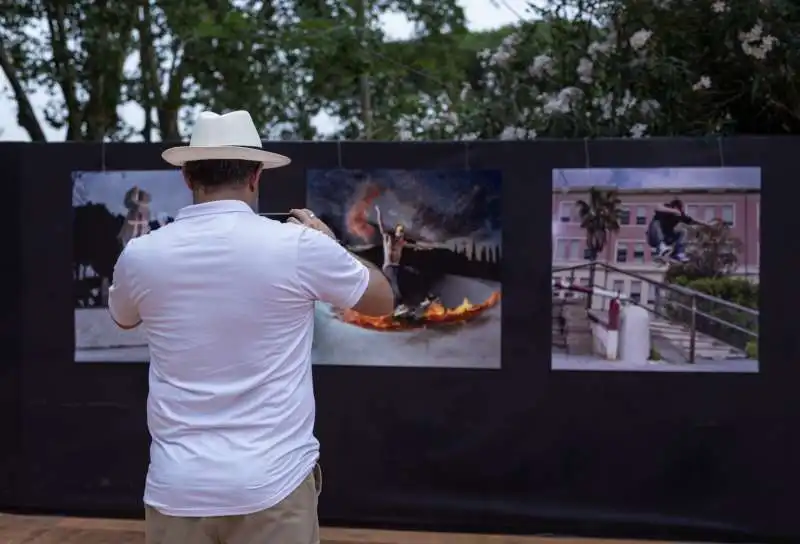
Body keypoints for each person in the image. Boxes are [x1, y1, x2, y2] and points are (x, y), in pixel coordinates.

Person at [107, 110, 394, 544]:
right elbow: (382, 301)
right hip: (273, 484)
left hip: (177, 485)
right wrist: (329, 245)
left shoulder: (141, 255)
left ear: (187, 177)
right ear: (256, 175)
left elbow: (123, 317)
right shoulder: (298, 247)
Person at [374, 204, 435, 315]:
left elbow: (417, 245)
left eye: (402, 233)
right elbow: (382, 228)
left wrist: (430, 246)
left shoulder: (402, 242)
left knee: (413, 274)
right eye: (399, 232)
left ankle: (416, 301)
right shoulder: (389, 239)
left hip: (397, 268)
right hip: (389, 268)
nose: (401, 235)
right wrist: (379, 213)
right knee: (395, 285)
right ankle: (397, 306)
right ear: (396, 232)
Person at [646, 198, 706, 263]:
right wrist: (673, 211)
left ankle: (679, 253)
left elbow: (693, 221)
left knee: (683, 231)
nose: (677, 213)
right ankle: (661, 247)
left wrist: (707, 224)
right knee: (656, 222)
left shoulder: (680, 215)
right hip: (654, 237)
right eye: (677, 209)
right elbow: (657, 207)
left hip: (667, 239)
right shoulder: (665, 208)